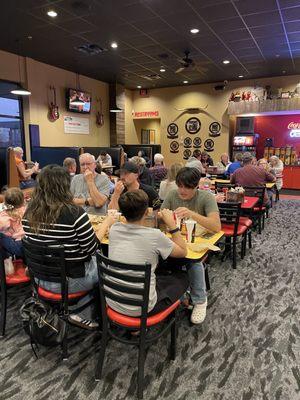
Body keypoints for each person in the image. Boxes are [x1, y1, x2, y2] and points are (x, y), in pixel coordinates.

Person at [22, 165, 100, 329]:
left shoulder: (29, 212)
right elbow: (91, 248)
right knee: (105, 267)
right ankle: (82, 313)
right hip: (69, 282)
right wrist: (106, 225)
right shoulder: (74, 213)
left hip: (39, 279)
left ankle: (75, 308)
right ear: (65, 185)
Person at [97, 190, 189, 317]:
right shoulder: (155, 235)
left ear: (122, 212)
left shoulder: (114, 229)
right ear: (146, 212)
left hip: (112, 300)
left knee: (153, 274)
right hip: (142, 308)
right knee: (183, 277)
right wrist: (172, 224)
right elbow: (183, 252)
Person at [161, 167, 221, 324]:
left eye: (187, 187)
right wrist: (165, 217)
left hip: (197, 242)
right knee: (157, 256)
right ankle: (176, 295)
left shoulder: (206, 197)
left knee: (192, 260)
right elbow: (161, 216)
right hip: (175, 238)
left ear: (196, 186)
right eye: (180, 185)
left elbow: (216, 226)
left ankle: (200, 300)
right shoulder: (173, 194)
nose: (182, 190)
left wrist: (191, 214)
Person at [0, 188, 26, 261]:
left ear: (5, 201)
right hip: (29, 245)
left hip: (18, 246)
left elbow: (3, 225)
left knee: (1, 235)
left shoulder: (5, 214)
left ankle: (10, 256)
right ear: (22, 200)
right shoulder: (26, 210)